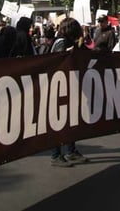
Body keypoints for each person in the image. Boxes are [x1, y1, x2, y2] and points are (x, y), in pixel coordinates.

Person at [49, 18, 89, 166]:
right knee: (58, 122)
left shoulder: (71, 42)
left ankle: (70, 151)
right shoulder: (61, 42)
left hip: (69, 87)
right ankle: (55, 155)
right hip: (58, 88)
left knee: (70, 121)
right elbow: (57, 61)